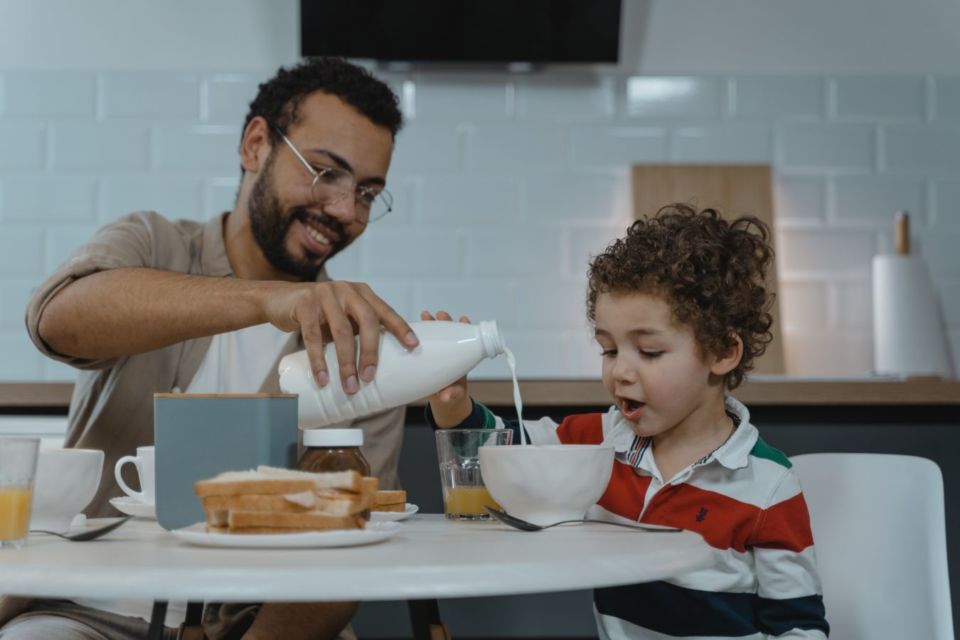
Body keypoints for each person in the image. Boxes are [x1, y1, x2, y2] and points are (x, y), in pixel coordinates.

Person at [1, 57, 417, 640]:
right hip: (85, 610)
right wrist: (263, 300)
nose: (346, 211)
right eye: (325, 172)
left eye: (368, 192)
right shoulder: (152, 244)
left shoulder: (359, 342)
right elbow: (57, 321)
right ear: (255, 146)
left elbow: (344, 566)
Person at [426, 204, 830, 639]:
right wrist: (453, 403)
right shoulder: (601, 442)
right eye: (609, 350)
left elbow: (799, 628)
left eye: (650, 352)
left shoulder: (769, 487)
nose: (620, 371)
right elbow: (507, 448)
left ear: (722, 353)